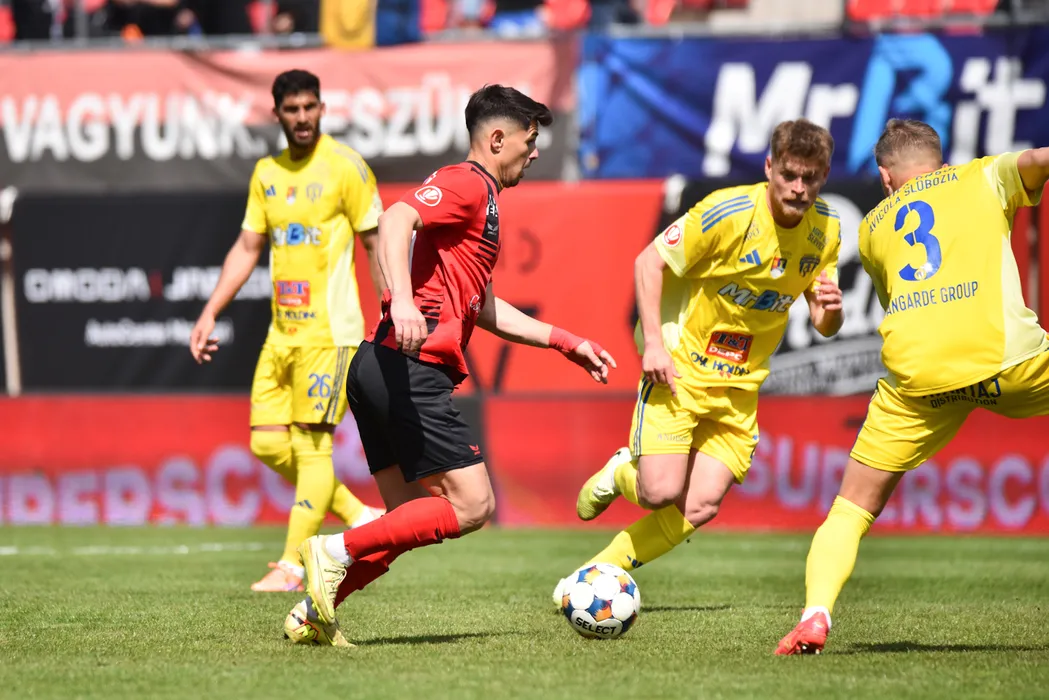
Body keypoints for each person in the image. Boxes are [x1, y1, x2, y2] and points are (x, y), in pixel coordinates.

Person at [286, 84, 617, 646]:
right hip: (407, 369)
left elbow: (481, 307)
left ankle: (313, 612)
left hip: (380, 367)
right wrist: (402, 300)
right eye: (529, 140)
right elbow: (396, 218)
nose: (535, 152)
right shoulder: (467, 183)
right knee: (474, 504)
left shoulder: (483, 202)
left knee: (404, 523)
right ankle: (331, 549)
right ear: (497, 138)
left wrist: (565, 341)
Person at [776, 120, 1049, 655]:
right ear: (941, 163)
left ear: (885, 178)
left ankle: (814, 616)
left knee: (849, 509)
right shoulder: (981, 176)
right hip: (1009, 362)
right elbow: (1039, 159)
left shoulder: (872, 228)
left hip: (919, 380)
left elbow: (899, 302)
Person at [555, 119, 845, 605]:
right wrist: (653, 344)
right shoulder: (727, 213)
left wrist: (832, 311)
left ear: (824, 175)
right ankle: (619, 472)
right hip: (680, 369)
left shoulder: (828, 228)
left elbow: (823, 322)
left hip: (740, 388)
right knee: (658, 493)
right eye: (789, 175)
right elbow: (648, 262)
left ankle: (590, 577)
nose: (799, 187)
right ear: (769, 167)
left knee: (701, 504)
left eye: (810, 178)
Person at [190, 69, 384, 600]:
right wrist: (210, 311)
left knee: (312, 447)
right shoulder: (267, 173)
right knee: (265, 442)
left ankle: (294, 564)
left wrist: (393, 307)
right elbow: (246, 248)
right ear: (276, 114)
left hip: (330, 333)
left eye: (309, 107)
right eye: (292, 109)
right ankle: (358, 515)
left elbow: (375, 244)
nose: (302, 118)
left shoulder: (345, 166)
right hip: (282, 335)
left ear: (322, 108)